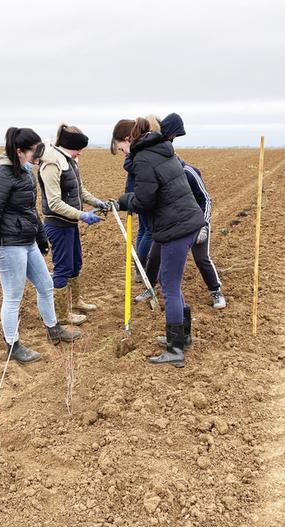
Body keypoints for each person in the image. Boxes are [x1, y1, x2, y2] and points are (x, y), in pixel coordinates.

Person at [0, 127, 80, 364]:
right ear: (19, 151)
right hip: (9, 245)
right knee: (13, 297)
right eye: (34, 153)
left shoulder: (25, 173)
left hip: (28, 242)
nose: (37, 159)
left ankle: (54, 329)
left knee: (46, 285)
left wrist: (41, 237)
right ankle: (13, 345)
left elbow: (30, 210)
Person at [115, 116, 205, 367]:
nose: (122, 153)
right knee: (170, 281)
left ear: (128, 139)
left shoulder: (144, 158)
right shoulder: (161, 149)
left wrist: (124, 200)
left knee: (169, 286)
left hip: (176, 227)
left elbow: (145, 200)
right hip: (183, 222)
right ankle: (182, 337)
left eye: (120, 148)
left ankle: (176, 349)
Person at [135, 113, 226, 310]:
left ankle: (216, 290)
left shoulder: (189, 173)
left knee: (202, 258)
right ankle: (149, 288)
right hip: (176, 222)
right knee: (154, 254)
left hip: (198, 221)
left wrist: (204, 224)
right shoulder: (164, 172)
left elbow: (206, 200)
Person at [37, 124, 109, 327]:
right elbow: (54, 203)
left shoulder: (70, 161)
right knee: (62, 268)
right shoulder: (52, 163)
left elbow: (80, 190)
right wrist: (82, 215)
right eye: (80, 149)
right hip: (57, 225)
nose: (81, 153)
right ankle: (61, 315)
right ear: (71, 146)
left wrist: (97, 203)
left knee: (76, 263)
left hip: (70, 224)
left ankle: (76, 301)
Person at [110, 119, 153, 281]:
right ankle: (142, 269)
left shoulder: (135, 152)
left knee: (144, 230)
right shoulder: (136, 153)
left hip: (135, 193)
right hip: (140, 195)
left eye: (121, 149)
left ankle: (140, 270)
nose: (123, 152)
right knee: (148, 231)